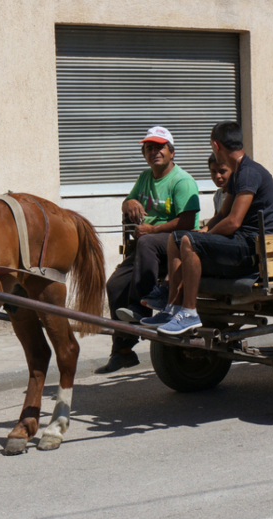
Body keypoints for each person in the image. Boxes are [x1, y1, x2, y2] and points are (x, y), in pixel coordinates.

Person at [142, 121, 273, 335]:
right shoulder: (239, 171)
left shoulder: (249, 172)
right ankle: (173, 307)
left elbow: (234, 221)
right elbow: (222, 214)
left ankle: (189, 312)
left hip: (251, 249)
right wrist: (204, 232)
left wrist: (203, 237)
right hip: (238, 243)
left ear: (216, 146)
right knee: (177, 238)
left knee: (188, 241)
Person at [97, 126, 200, 373]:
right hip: (148, 245)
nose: (154, 152)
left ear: (171, 152)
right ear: (144, 153)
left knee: (144, 242)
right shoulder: (145, 177)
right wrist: (129, 203)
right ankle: (123, 351)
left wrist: (152, 231)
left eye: (159, 147)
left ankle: (141, 306)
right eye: (149, 148)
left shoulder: (182, 181)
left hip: (177, 243)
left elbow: (187, 222)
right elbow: (127, 202)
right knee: (114, 285)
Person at [142, 153, 231, 312]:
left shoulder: (235, 194)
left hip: (227, 243)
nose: (217, 176)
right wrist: (204, 230)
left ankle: (168, 292)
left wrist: (207, 235)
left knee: (186, 245)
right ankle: (167, 291)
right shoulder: (219, 195)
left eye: (222, 171)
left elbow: (228, 222)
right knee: (180, 240)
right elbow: (217, 218)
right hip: (216, 239)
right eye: (213, 172)